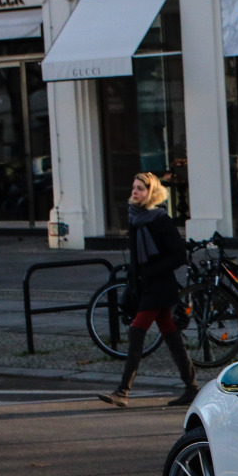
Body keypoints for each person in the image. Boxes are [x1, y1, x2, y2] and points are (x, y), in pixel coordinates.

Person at [97, 172, 198, 408]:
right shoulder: (135, 218)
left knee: (136, 331)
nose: (135, 192)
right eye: (134, 187)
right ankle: (192, 387)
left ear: (151, 193)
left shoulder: (160, 219)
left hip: (160, 286)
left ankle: (122, 391)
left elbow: (178, 255)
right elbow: (136, 257)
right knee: (172, 336)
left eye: (140, 188)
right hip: (145, 286)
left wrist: (150, 272)